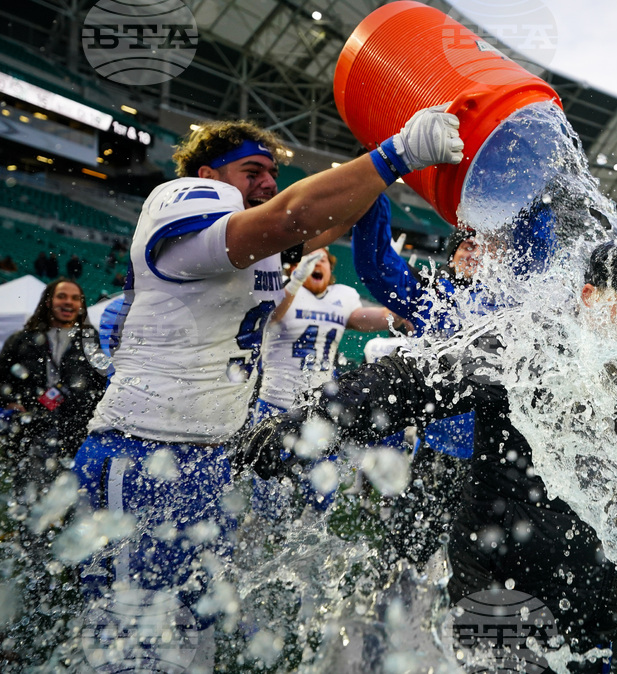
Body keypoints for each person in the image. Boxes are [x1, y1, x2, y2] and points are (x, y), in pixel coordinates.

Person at [71, 106, 465, 670]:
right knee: (132, 639)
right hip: (143, 450)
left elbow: (325, 218)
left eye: (270, 173)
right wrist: (395, 154)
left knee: (191, 635)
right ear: (206, 175)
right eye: (251, 170)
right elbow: (291, 216)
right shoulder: (180, 201)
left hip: (208, 453)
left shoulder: (256, 242)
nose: (266, 182)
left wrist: (386, 182)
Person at [242, 231, 617, 673]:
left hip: (597, 601)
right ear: (590, 300)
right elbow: (412, 378)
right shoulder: (528, 347)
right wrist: (306, 424)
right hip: (499, 585)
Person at [352, 195, 483, 459]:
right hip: (435, 443)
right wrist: (374, 186)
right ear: (452, 256)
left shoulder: (506, 298)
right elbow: (377, 265)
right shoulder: (428, 292)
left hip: (490, 447)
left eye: (483, 248)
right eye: (468, 246)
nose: (476, 254)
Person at [256, 247, 410, 420]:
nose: (318, 261)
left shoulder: (342, 296)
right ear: (294, 266)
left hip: (317, 407)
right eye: (311, 257)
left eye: (324, 259)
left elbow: (387, 318)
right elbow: (269, 316)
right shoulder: (284, 289)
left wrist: (396, 285)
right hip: (274, 402)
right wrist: (295, 281)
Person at [0, 278, 106, 482]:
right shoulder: (22, 339)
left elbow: (100, 385)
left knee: (69, 498)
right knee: (30, 495)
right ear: (48, 301)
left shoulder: (91, 340)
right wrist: (10, 402)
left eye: (75, 298)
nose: (69, 302)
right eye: (62, 296)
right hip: (29, 432)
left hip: (75, 433)